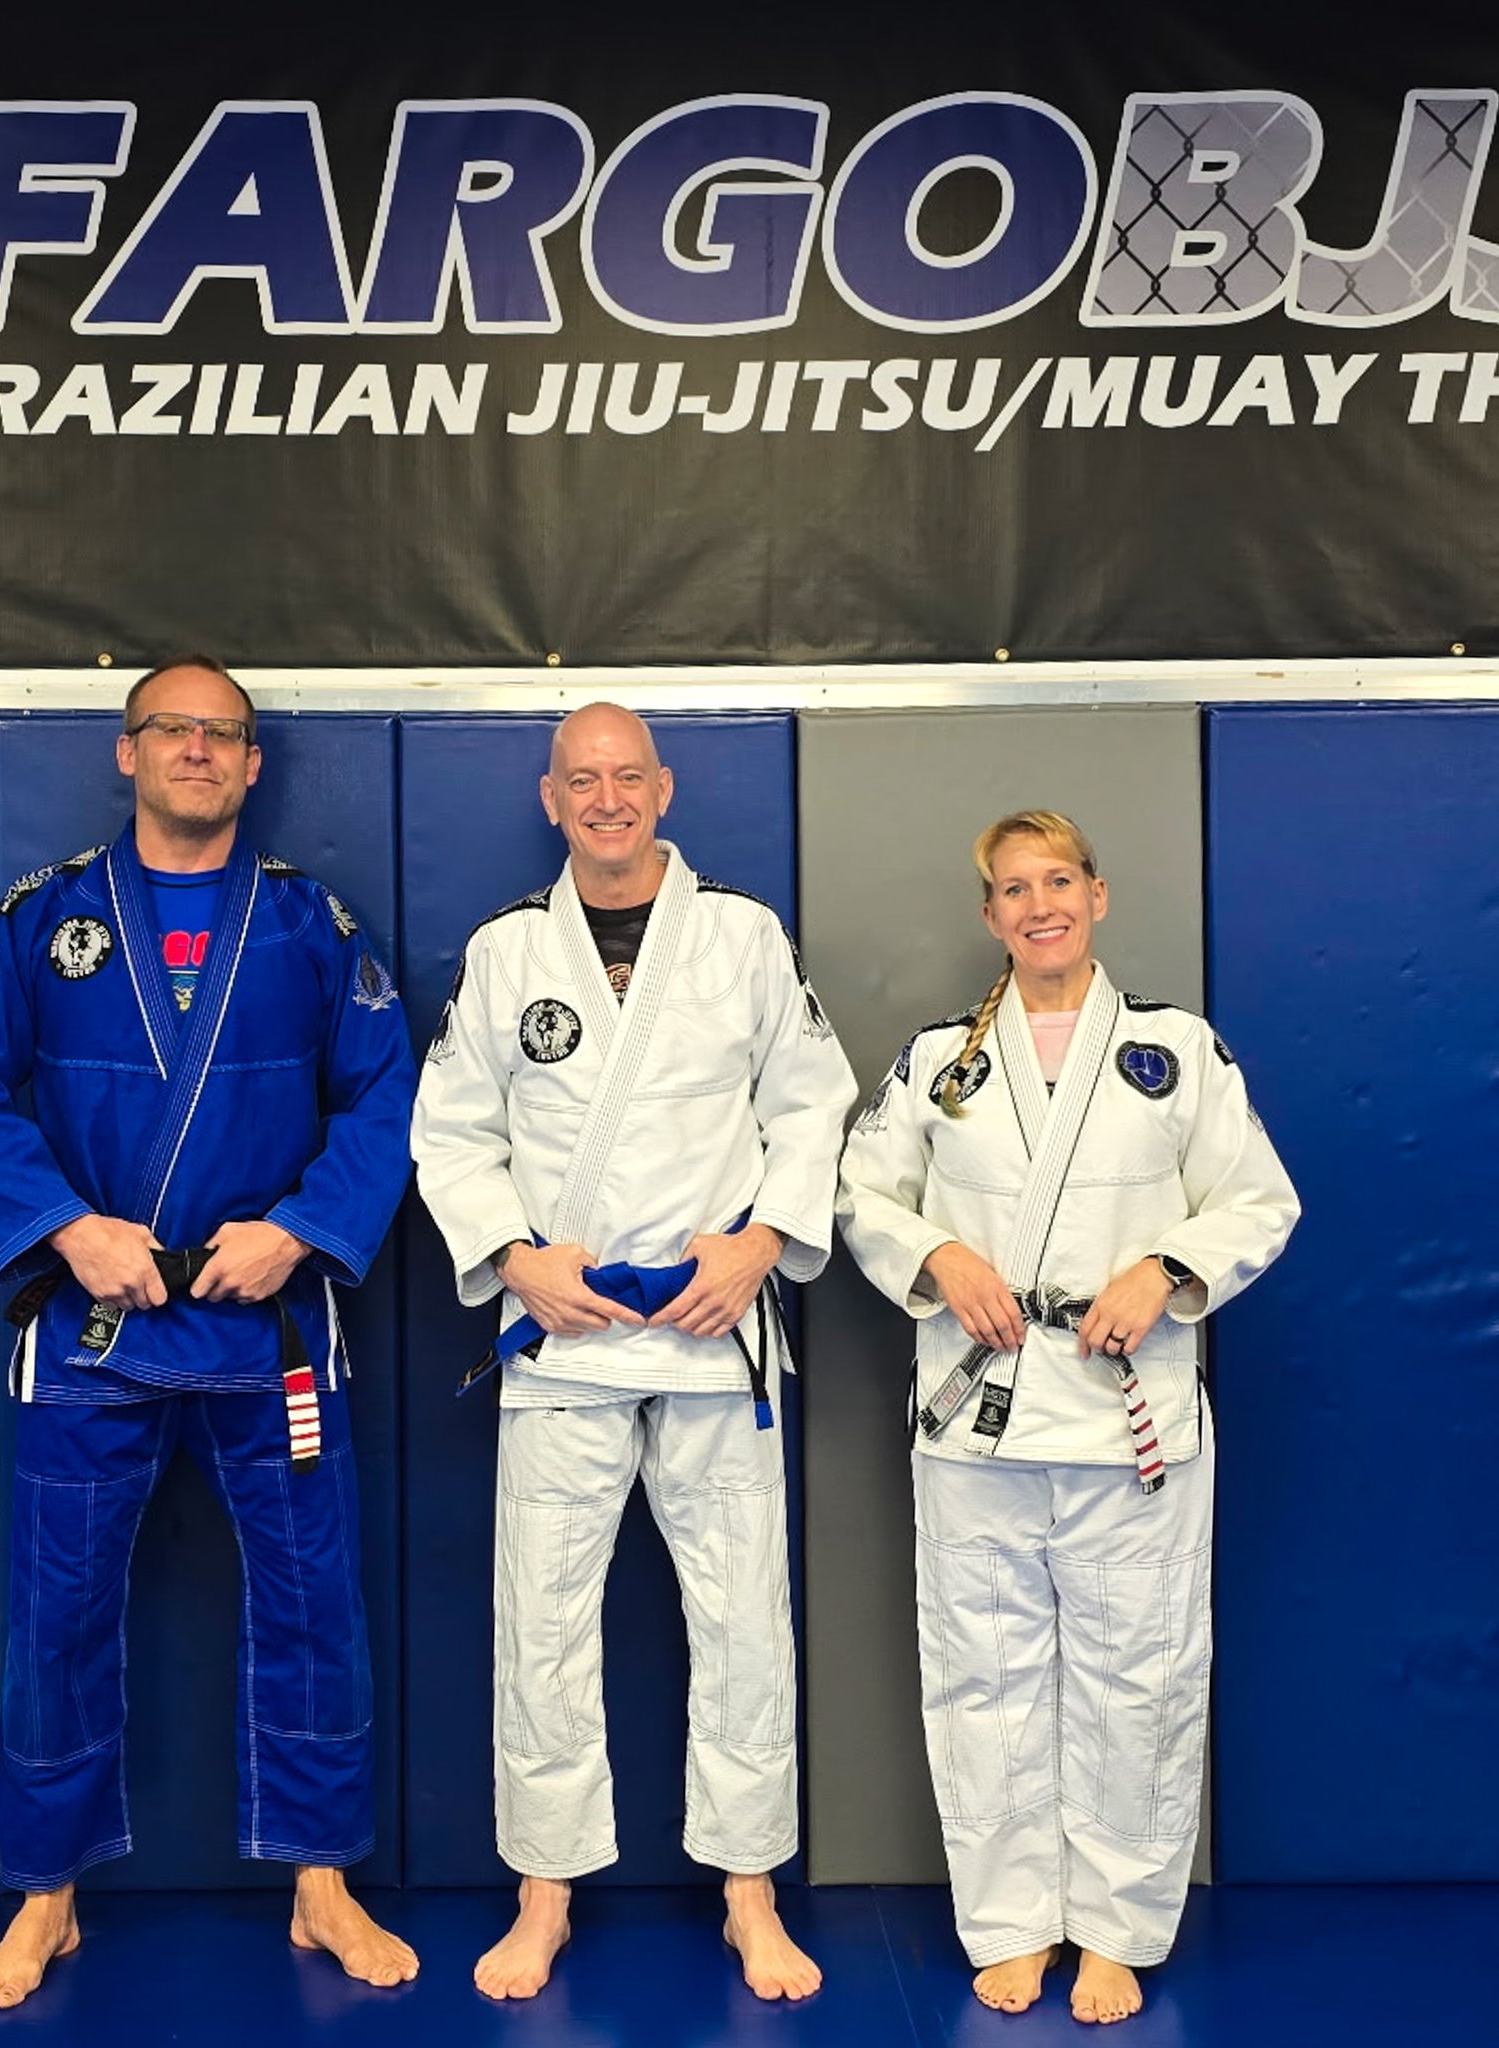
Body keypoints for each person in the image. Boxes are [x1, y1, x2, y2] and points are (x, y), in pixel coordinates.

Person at [0, 659, 418, 2008]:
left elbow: (385, 1098)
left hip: (270, 1326)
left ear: (252, 764)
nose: (197, 749)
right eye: (172, 729)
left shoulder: (310, 923)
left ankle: (321, 1879)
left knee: (314, 1605)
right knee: (58, 1614)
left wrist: (300, 1231)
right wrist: (65, 1228)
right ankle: (46, 1893)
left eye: (222, 733)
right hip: (94, 1322)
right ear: (126, 750)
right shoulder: (47, 918)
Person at [410, 703, 857, 2003]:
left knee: (742, 1615)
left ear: (662, 788)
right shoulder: (507, 951)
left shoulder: (742, 936)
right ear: (549, 799)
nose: (605, 797)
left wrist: (761, 1243)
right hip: (565, 1334)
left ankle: (748, 1890)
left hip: (712, 1329)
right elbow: (451, 1132)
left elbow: (811, 1104)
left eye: (625, 776)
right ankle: (544, 1891)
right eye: (580, 779)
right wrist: (515, 1257)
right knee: (541, 1618)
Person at [835, 810, 1298, 2025]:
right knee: (979, 1671)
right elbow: (860, 1191)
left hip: (1126, 1408)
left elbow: (1258, 1199)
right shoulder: (940, 1059)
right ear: (988, 914)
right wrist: (939, 1252)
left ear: (1096, 895)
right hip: (978, 1407)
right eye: (1012, 887)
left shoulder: (1173, 1049)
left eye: (1057, 881)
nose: (1037, 904)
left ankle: (1115, 1927)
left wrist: (1166, 1267)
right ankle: (1012, 1921)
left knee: (1136, 1673)